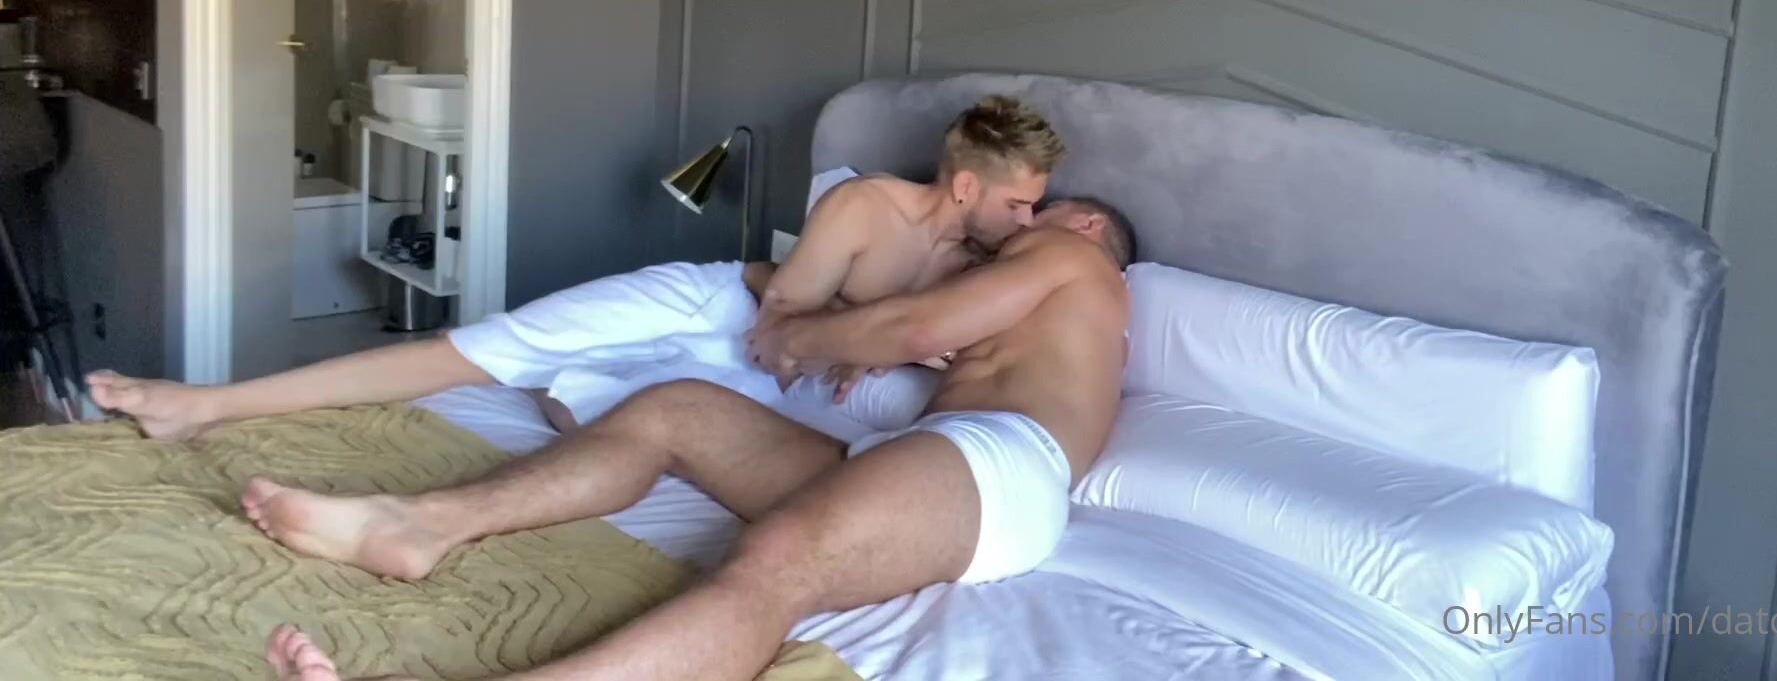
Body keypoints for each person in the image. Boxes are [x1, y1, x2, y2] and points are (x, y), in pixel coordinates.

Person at [253, 194, 1135, 681]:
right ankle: (418, 525)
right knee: (674, 409)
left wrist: (801, 337)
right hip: (936, 459)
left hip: (1000, 468)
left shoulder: (1075, 257)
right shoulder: (1047, 301)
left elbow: (915, 327)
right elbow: (910, 324)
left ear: (1090, 225)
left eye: (1044, 209)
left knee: (780, 560)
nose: (1025, 222)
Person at [85, 94, 1065, 440]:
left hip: (754, 366)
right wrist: (856, 345)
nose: (1030, 222)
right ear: (966, 185)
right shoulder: (863, 208)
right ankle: (205, 405)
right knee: (480, 349)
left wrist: (872, 348)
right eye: (1022, 202)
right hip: (717, 305)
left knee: (622, 416)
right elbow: (779, 334)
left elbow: (883, 348)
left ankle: (574, 397)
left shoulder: (973, 263)